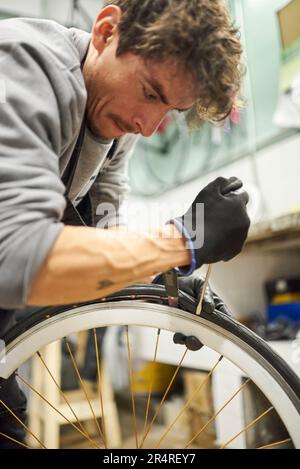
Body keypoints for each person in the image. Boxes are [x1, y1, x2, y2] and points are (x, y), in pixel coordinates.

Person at [0, 0, 250, 448]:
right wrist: (182, 240)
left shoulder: (116, 131)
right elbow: (18, 256)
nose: (149, 125)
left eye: (170, 109)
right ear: (106, 31)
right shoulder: (26, 64)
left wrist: (158, 282)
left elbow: (98, 248)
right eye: (151, 92)